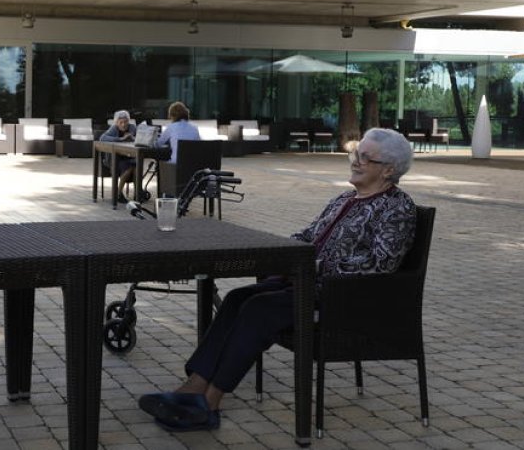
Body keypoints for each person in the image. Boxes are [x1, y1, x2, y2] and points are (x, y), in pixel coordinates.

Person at [138, 127, 417, 432]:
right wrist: (283, 251)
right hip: (303, 283)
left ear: (389, 170)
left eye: (366, 157)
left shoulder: (397, 209)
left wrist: (313, 264)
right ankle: (193, 386)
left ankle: (210, 404)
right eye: (356, 153)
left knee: (260, 309)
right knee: (237, 299)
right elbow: (309, 234)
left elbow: (380, 264)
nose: (355, 161)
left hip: (341, 300)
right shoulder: (345, 199)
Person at [99, 110, 137, 201]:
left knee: (136, 167)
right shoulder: (114, 128)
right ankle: (118, 193)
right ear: (117, 122)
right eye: (121, 122)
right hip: (114, 159)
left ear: (129, 121)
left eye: (125, 122)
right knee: (130, 168)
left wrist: (133, 138)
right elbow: (102, 138)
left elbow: (140, 139)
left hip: (129, 156)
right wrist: (120, 139)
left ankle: (137, 194)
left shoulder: (132, 128)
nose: (123, 124)